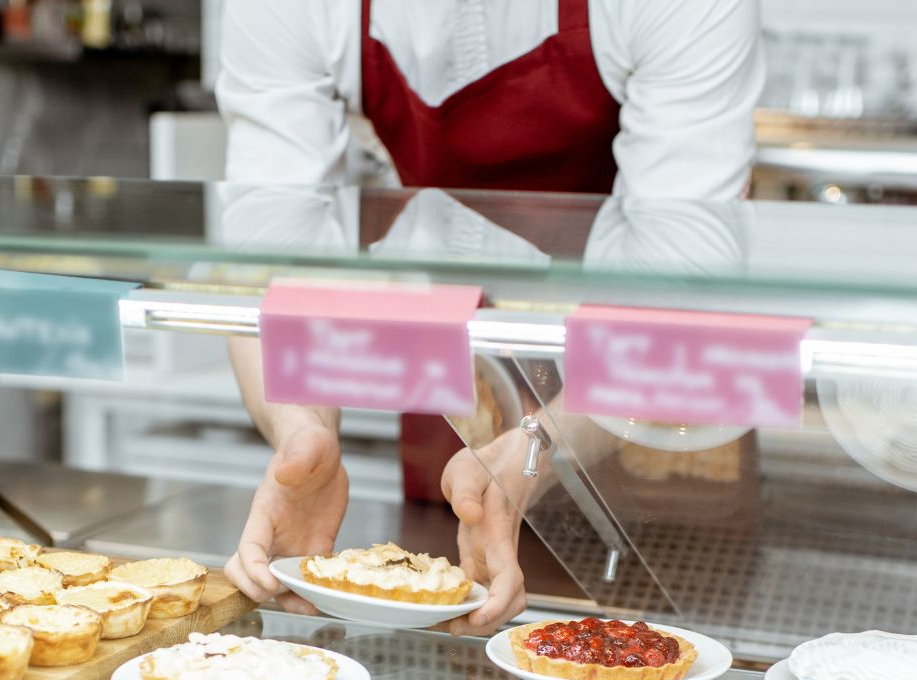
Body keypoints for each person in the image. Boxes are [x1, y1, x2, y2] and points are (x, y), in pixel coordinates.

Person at [214, 0, 763, 626]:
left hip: (650, 426)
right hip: (455, 395)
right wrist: (300, 429)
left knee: (652, 664)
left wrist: (536, 449)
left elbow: (678, 292)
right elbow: (262, 262)